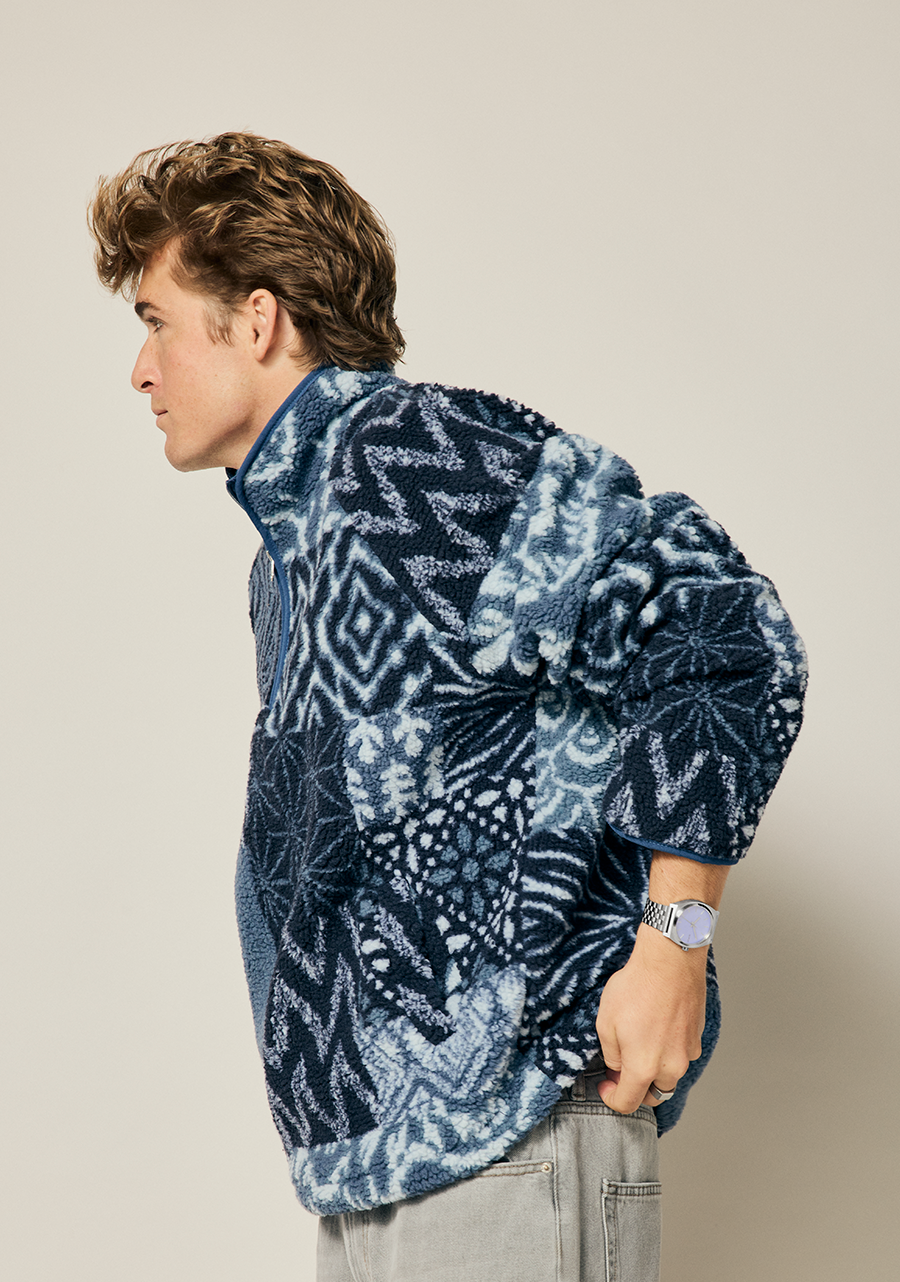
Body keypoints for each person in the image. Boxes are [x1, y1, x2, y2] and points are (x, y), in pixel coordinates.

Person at [89, 133, 806, 1282]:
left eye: (156, 321)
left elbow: (719, 626)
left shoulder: (412, 460)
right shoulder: (290, 550)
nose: (140, 369)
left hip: (507, 1142)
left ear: (257, 320)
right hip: (379, 1172)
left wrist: (673, 943)